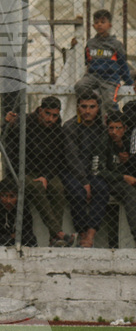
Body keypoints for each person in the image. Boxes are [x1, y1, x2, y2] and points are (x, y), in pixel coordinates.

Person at [2, 96, 75, 247]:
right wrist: (7, 124)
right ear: (40, 110)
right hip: (23, 170)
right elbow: (9, 144)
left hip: (46, 171)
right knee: (37, 188)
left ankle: (54, 238)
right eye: (47, 114)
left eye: (55, 115)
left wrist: (46, 176)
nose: (50, 119)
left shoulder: (57, 130)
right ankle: (58, 233)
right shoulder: (25, 122)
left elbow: (57, 157)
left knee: (58, 188)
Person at [62, 91, 111, 248]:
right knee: (78, 193)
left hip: (94, 172)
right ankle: (82, 233)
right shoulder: (70, 126)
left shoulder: (102, 128)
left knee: (102, 189)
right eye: (83, 107)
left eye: (92, 107)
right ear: (77, 107)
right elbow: (72, 158)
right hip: (72, 172)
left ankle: (91, 234)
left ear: (98, 108)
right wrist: (84, 181)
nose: (87, 111)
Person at [75, 10, 133, 109]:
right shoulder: (91, 43)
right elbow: (86, 61)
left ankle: (113, 120)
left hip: (110, 78)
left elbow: (122, 64)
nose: (99, 25)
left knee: (109, 102)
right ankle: (95, 108)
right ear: (93, 26)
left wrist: (129, 82)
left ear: (109, 25)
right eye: (96, 22)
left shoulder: (116, 44)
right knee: (80, 86)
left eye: (102, 22)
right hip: (93, 77)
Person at [106, 110, 136, 245]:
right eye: (111, 128)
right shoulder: (103, 142)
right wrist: (123, 176)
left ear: (124, 128)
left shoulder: (129, 142)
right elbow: (99, 170)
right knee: (129, 193)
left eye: (118, 128)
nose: (114, 132)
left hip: (125, 181)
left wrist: (128, 161)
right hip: (108, 182)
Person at [0, 178, 37, 247]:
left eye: (12, 196)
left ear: (18, 196)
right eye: (4, 196)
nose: (8, 201)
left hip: (18, 238)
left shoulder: (22, 206)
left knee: (31, 239)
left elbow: (28, 229)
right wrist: (11, 236)